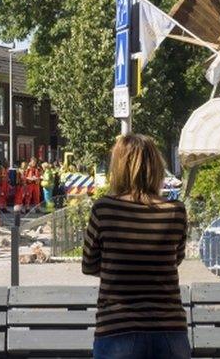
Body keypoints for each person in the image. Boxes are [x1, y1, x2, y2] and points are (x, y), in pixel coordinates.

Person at [82, 134, 189, 359]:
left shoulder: (104, 209)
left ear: (118, 168)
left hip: (117, 329)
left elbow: (89, 264)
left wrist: (119, 267)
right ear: (157, 167)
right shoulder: (175, 211)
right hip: (169, 330)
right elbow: (175, 259)